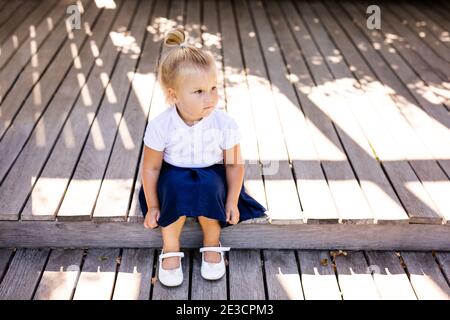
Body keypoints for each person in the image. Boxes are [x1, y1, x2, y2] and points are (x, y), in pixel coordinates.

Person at [139, 27, 268, 287]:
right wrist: (153, 205)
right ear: (174, 95)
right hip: (172, 174)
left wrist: (232, 201)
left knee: (210, 187)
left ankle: (211, 241)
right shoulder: (160, 126)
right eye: (198, 92)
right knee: (174, 186)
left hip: (212, 172)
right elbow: (151, 168)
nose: (210, 97)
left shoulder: (224, 124)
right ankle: (170, 246)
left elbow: (233, 164)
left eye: (213, 88)